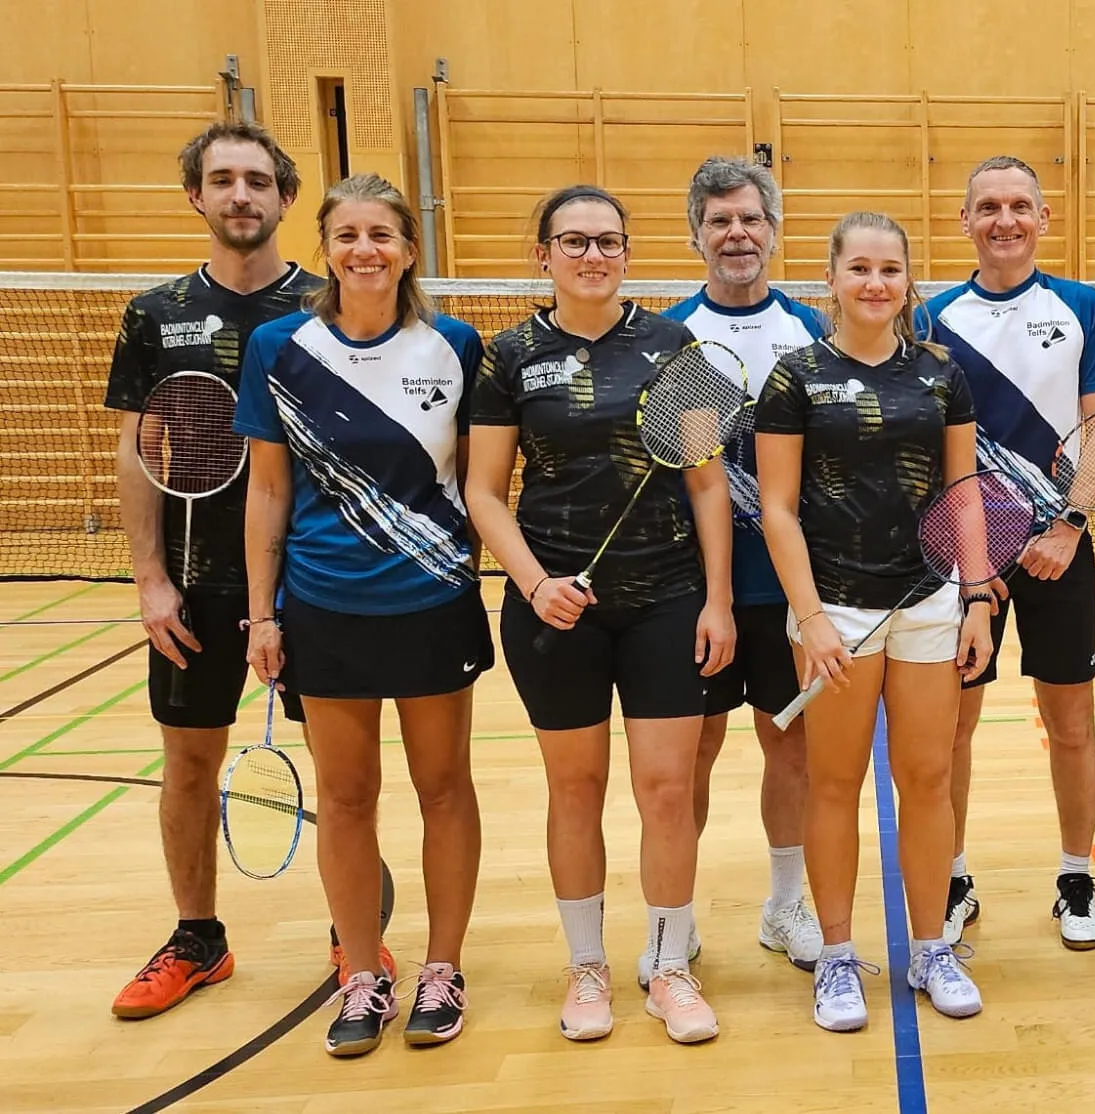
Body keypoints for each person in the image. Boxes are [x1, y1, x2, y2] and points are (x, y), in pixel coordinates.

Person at [103, 122, 396, 1020]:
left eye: (258, 181)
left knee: (343, 769)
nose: (241, 195)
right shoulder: (155, 314)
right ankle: (198, 938)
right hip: (197, 580)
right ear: (196, 194)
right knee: (189, 760)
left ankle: (354, 931)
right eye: (223, 179)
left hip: (310, 581)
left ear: (285, 198)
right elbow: (137, 450)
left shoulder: (326, 303)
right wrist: (150, 579)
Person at [466, 185, 736, 1044]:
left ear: (627, 253)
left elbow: (706, 483)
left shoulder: (673, 345)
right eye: (575, 241)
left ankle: (668, 966)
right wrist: (534, 583)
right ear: (543, 254)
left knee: (667, 790)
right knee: (575, 789)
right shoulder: (508, 357)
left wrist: (719, 599)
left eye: (609, 241)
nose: (593, 256)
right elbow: (483, 491)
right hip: (554, 613)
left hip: (666, 599)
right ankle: (586, 967)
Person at [236, 173, 492, 1056]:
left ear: (409, 249)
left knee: (444, 789)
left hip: (432, 602)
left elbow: (482, 482)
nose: (365, 250)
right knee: (346, 800)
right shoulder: (280, 346)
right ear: (327, 248)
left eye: (381, 234)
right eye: (346, 235)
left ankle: (443, 969)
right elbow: (268, 491)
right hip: (324, 606)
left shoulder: (454, 345)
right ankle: (360, 974)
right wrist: (263, 616)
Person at [756, 211, 992, 1031]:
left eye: (890, 269)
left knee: (926, 779)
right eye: (858, 268)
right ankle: (835, 957)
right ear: (831, 278)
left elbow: (964, 494)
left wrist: (977, 597)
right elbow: (778, 509)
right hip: (836, 610)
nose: (874, 283)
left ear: (907, 280)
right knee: (834, 783)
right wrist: (811, 618)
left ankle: (931, 949)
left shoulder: (940, 373)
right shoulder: (794, 377)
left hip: (928, 603)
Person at [921, 156, 1095, 950]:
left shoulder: (1082, 307)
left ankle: (1076, 877)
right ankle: (952, 877)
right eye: (988, 207)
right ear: (965, 221)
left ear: (1043, 217)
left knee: (1070, 721)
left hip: (1058, 549)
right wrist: (969, 557)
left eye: (1018, 206)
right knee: (951, 728)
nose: (1003, 220)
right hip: (968, 554)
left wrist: (1071, 525)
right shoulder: (930, 320)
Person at [664, 156, 824, 976]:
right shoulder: (665, 337)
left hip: (789, 587)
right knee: (688, 755)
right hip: (690, 590)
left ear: (774, 230)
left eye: (750, 219)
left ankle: (785, 905)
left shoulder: (814, 332)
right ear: (695, 234)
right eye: (720, 220)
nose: (737, 234)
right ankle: (675, 917)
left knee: (789, 748)